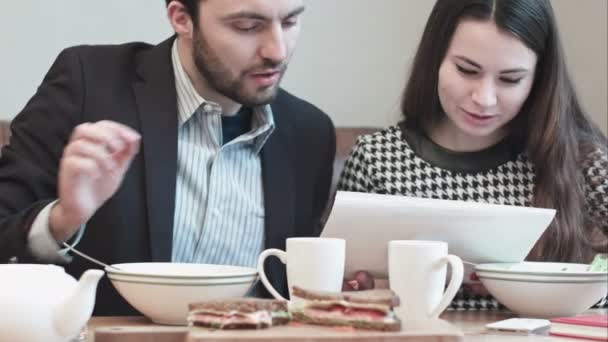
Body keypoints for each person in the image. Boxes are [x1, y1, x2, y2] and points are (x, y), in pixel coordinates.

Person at [0, 0, 336, 315]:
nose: (277, 51)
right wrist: (63, 218)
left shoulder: (310, 135)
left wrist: (341, 286)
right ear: (181, 18)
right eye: (247, 26)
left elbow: (293, 294)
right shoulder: (88, 85)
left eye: (290, 21)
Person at [339, 0, 608, 309]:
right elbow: (333, 289)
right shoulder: (377, 161)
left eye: (510, 79)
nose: (484, 99)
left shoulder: (581, 162)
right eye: (467, 70)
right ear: (435, 59)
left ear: (539, 78)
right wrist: (375, 288)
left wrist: (574, 283)